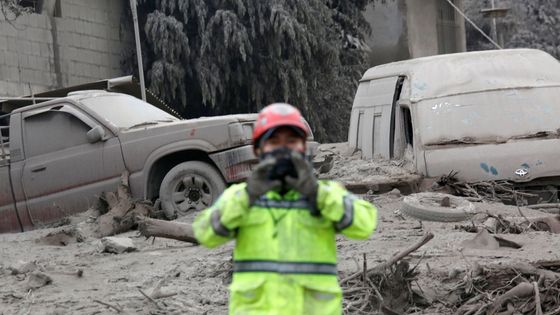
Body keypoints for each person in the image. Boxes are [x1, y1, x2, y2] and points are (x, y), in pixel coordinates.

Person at [193, 103, 377, 314]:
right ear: (258, 150)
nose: (283, 150)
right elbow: (205, 233)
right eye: (274, 142)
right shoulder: (241, 197)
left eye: (291, 141)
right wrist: (248, 196)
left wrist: (316, 194)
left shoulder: (326, 194)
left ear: (303, 148)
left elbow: (365, 225)